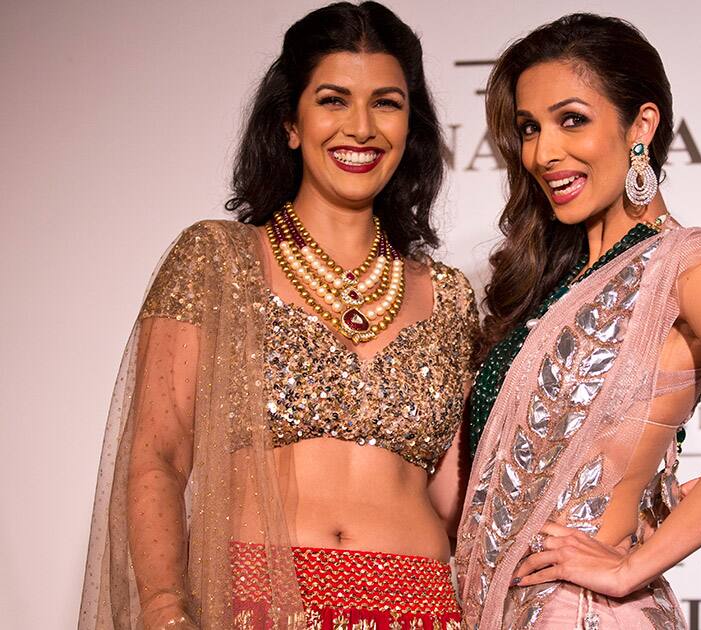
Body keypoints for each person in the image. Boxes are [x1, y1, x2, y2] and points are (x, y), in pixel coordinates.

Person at [78, 3, 478, 629]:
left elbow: (456, 498)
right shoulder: (216, 261)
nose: (362, 127)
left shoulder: (450, 296)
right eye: (333, 100)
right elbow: (157, 455)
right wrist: (163, 605)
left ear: (411, 127)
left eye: (387, 103)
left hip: (421, 606)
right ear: (290, 121)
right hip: (254, 603)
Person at [455, 13, 701, 630]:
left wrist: (633, 565)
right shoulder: (555, 284)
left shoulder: (686, 263)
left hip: (584, 614)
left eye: (573, 120)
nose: (544, 153)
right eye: (529, 128)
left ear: (640, 125)